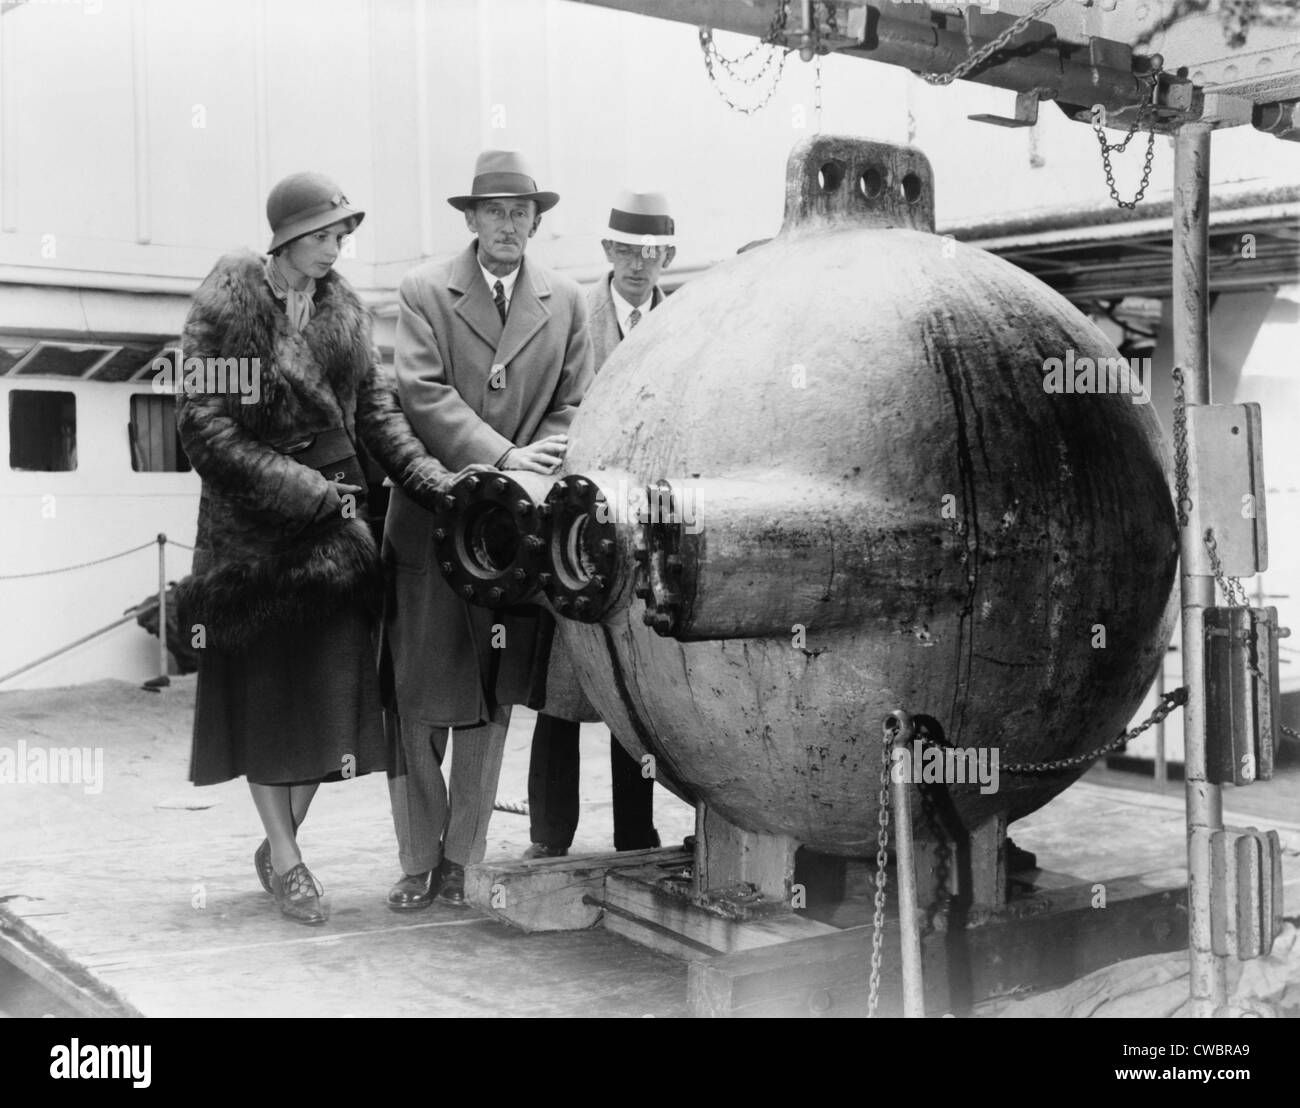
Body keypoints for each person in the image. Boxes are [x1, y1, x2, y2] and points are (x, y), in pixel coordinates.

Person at [178, 172, 461, 926]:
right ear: (286, 238)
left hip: (338, 535)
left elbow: (377, 413)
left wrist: (434, 482)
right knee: (268, 700)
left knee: (328, 703)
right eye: (326, 234)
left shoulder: (344, 314)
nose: (339, 248)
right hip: (256, 538)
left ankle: (281, 846)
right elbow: (206, 427)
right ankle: (294, 862)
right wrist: (306, 490)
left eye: (343, 235)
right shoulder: (228, 308)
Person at [383, 150, 593, 909]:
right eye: (495, 212)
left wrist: (537, 467)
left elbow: (577, 402)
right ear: (470, 220)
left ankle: (460, 858)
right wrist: (503, 456)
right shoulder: (423, 292)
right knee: (415, 699)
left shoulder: (567, 299)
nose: (509, 225)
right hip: (435, 524)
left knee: (492, 696)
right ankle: (417, 857)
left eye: (522, 211)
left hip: (513, 539)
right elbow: (422, 393)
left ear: (537, 219)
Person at [523, 190, 676, 859]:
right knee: (562, 692)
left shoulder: (683, 324)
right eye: (627, 250)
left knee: (632, 692)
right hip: (574, 528)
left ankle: (634, 836)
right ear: (608, 251)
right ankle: (548, 837)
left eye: (653, 252)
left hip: (645, 534)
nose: (640, 265)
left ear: (665, 255)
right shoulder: (569, 315)